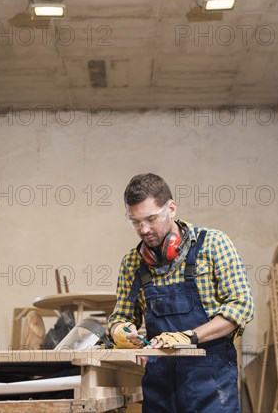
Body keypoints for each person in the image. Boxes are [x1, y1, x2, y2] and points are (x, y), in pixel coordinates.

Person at [107, 173, 254, 413]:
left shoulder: (213, 245)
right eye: (135, 222)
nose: (143, 230)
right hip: (160, 387)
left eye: (151, 219)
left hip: (212, 386)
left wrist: (189, 337)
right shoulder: (133, 263)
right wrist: (120, 331)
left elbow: (241, 307)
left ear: (171, 208)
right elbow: (120, 317)